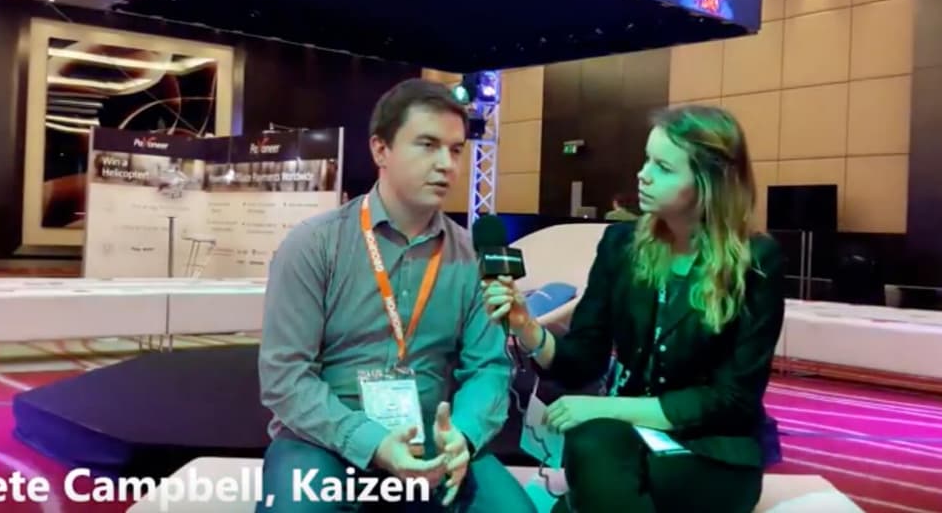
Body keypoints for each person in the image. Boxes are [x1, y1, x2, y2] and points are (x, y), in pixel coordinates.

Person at [483, 105, 784, 513]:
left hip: (712, 452)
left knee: (594, 471)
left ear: (709, 183)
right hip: (623, 442)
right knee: (591, 443)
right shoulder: (621, 246)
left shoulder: (757, 260)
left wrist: (607, 408)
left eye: (663, 167)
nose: (643, 174)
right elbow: (581, 362)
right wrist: (526, 327)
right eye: (647, 160)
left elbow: (733, 400)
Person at [258, 78, 534, 512]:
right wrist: (373, 442)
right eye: (427, 145)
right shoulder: (314, 245)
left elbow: (489, 368)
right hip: (324, 440)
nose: (446, 164)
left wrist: (461, 437)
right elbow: (286, 376)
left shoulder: (471, 256)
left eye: (456, 149)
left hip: (435, 438)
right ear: (380, 150)